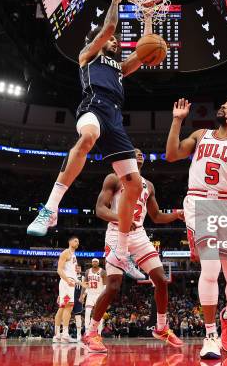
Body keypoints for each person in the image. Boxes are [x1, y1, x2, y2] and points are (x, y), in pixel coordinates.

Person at [27, 0, 156, 280]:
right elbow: (109, 26)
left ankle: (122, 254)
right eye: (110, 39)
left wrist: (148, 17)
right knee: (86, 138)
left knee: (134, 187)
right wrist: (115, 0)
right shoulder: (86, 55)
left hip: (115, 116)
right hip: (92, 105)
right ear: (96, 42)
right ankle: (50, 208)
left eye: (114, 40)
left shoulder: (119, 68)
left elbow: (145, 51)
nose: (114, 40)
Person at [165, 99, 227, 360]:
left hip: (226, 206)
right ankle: (209, 335)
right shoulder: (201, 135)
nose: (224, 106)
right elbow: (171, 154)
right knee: (210, 268)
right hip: (199, 203)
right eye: (223, 104)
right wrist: (177, 120)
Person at [83, 149, 184, 353]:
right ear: (127, 158)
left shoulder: (150, 185)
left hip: (139, 234)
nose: (139, 155)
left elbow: (156, 216)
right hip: (116, 232)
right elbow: (100, 209)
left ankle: (161, 327)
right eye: (135, 152)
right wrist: (121, 219)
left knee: (161, 280)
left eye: (142, 154)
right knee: (113, 286)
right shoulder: (114, 178)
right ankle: (91, 332)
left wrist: (176, 214)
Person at [54, 236, 83, 343]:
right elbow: (59, 270)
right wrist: (67, 280)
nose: (77, 243)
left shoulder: (74, 255)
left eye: (78, 241)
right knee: (69, 306)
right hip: (67, 283)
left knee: (62, 307)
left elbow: (73, 274)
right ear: (70, 241)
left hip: (69, 283)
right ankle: (65, 334)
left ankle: (57, 335)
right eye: (75, 240)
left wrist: (81, 283)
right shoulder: (66, 252)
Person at [83, 258, 106, 334]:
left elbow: (105, 285)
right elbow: (85, 284)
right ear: (92, 263)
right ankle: (87, 331)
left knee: (100, 314)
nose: (95, 263)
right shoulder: (87, 271)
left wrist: (104, 296)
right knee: (87, 312)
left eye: (96, 262)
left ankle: (99, 333)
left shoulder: (102, 272)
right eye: (93, 262)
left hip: (99, 294)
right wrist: (83, 295)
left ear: (98, 263)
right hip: (90, 294)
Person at [72, 264, 87, 340]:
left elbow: (86, 288)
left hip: (78, 298)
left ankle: (78, 334)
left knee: (78, 316)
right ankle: (64, 334)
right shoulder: (70, 276)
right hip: (70, 297)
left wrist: (83, 295)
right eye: (76, 268)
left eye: (79, 268)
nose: (78, 269)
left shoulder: (83, 278)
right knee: (66, 315)